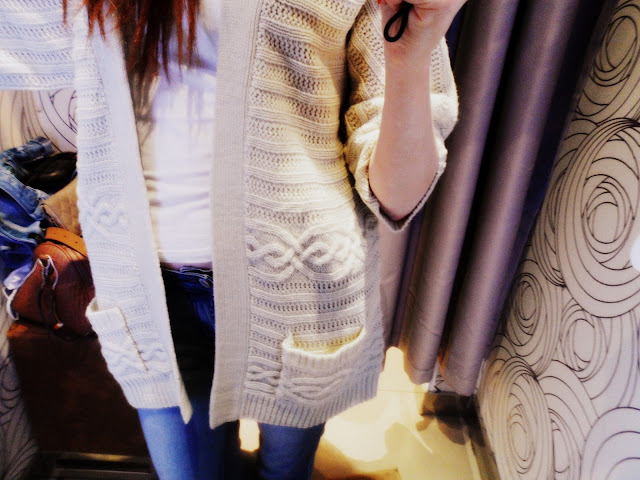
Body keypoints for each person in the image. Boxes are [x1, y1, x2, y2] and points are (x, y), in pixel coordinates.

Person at [0, 0, 463, 478]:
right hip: (150, 297)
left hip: (295, 291)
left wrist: (412, 53)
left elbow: (397, 198)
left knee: (285, 472)